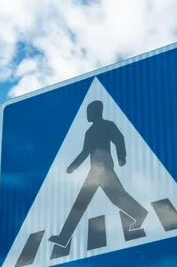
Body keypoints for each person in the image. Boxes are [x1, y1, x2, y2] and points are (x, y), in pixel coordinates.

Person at [48, 100, 148, 248]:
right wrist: (73, 166)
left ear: (96, 112)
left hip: (105, 168)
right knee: (86, 203)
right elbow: (85, 151)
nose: (87, 115)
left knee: (113, 198)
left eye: (89, 111)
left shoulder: (108, 125)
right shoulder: (89, 132)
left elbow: (119, 139)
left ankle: (140, 213)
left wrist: (122, 157)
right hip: (95, 170)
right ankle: (63, 238)